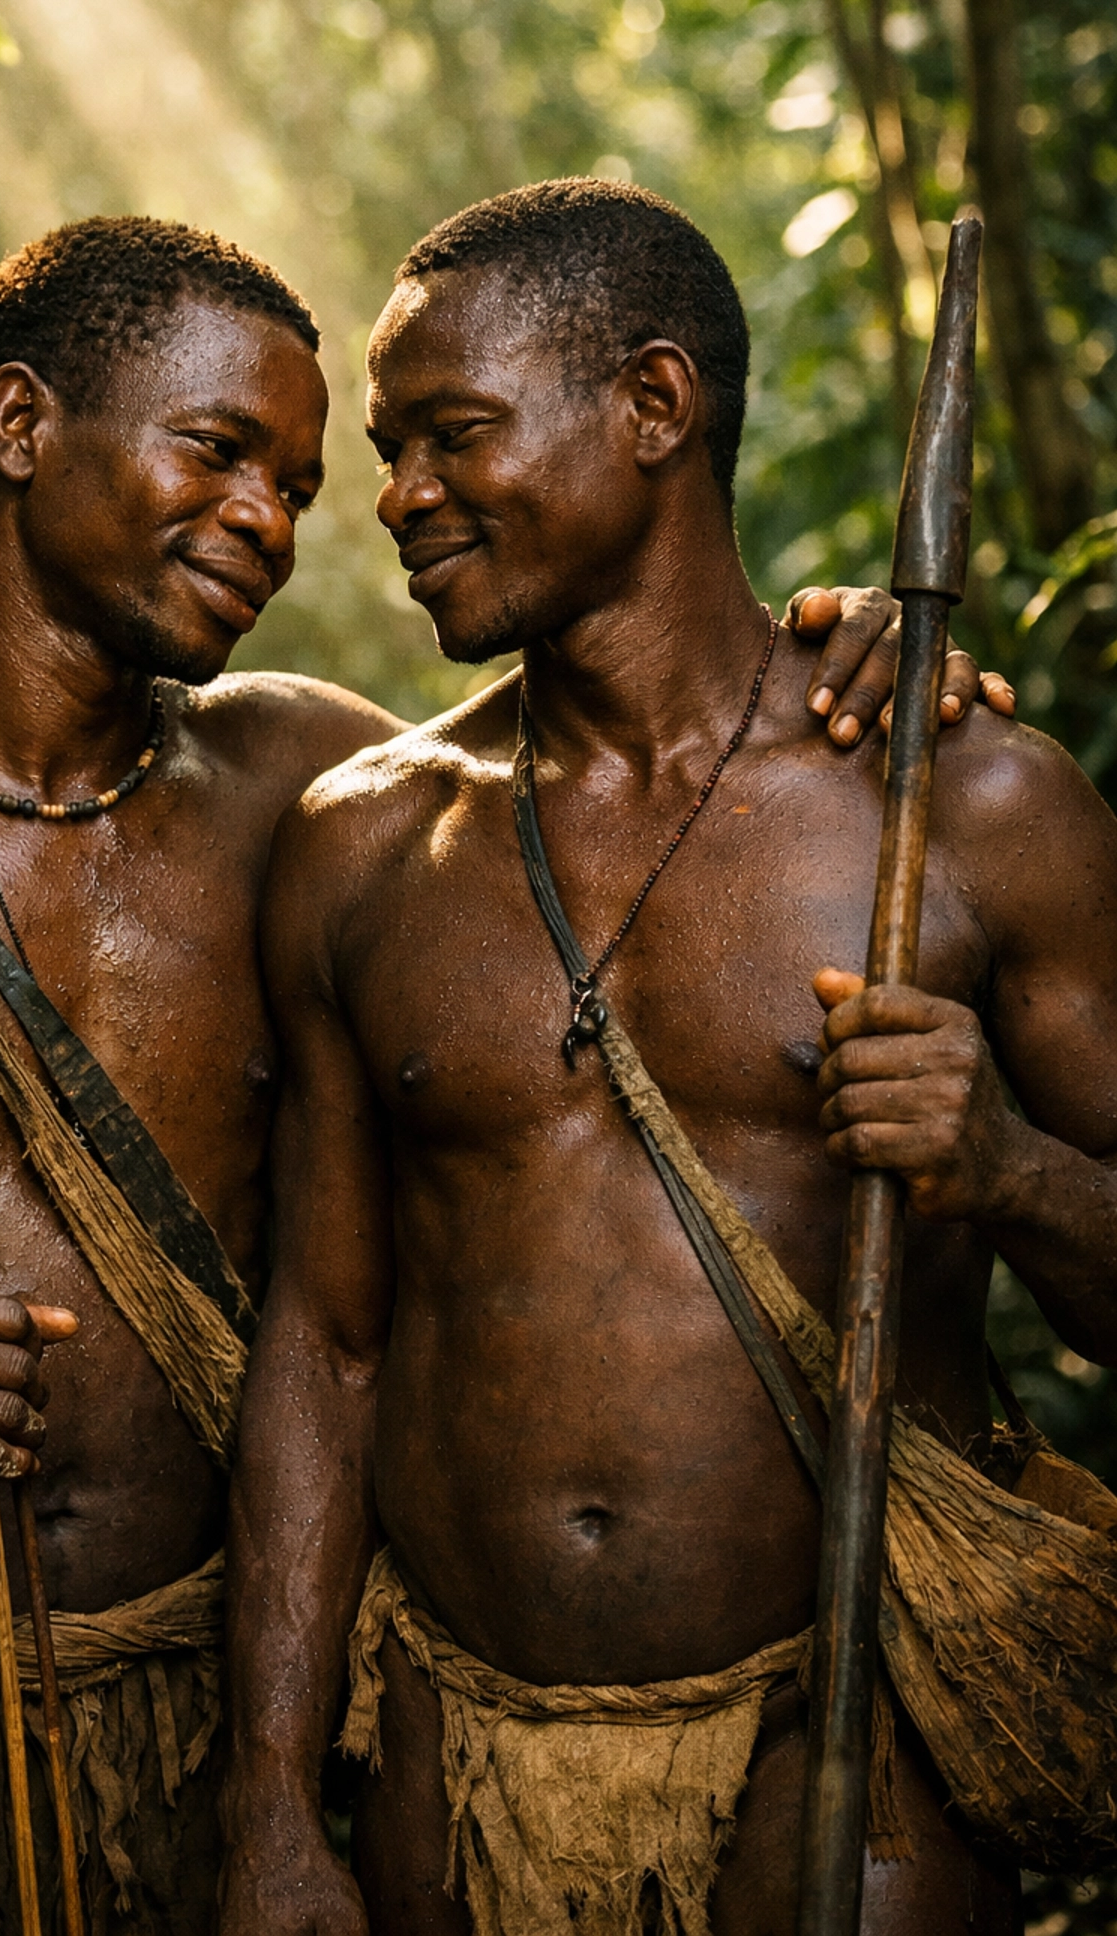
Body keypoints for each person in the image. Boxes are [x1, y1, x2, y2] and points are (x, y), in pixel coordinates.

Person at [0, 212, 974, 1936]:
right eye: (220, 453)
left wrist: (848, 651)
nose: (278, 522)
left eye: (304, 484)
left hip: (194, 1689)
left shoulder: (308, 786)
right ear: (21, 431)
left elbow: (615, 758)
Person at [219, 179, 1113, 1936]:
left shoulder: (969, 809)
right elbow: (321, 1350)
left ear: (652, 406)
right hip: (457, 1772)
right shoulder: (366, 848)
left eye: (452, 436)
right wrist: (267, 1800)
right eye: (393, 450)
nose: (397, 498)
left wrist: (1003, 1163)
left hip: (850, 1765)